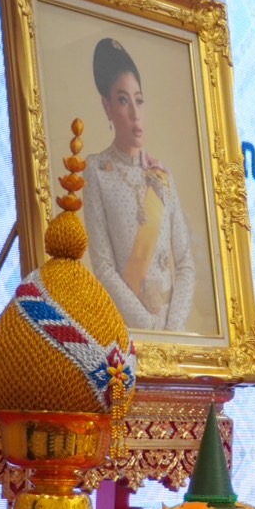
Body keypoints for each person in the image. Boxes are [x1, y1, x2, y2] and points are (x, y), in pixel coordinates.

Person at [84, 37, 197, 331]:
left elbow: (184, 263)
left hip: (174, 336)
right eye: (123, 100)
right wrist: (148, 326)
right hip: (129, 334)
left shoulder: (161, 178)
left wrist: (172, 329)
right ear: (107, 107)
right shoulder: (97, 171)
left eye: (139, 99)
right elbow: (104, 267)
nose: (135, 114)